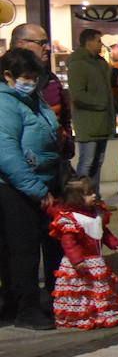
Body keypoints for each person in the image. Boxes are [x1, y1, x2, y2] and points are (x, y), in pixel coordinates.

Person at [0, 47, 63, 329]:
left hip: (45, 179)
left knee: (47, 244)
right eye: (26, 78)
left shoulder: (30, 98)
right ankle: (25, 308)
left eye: (34, 78)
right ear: (8, 76)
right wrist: (36, 189)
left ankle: (48, 299)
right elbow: (7, 152)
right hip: (17, 188)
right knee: (23, 250)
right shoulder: (5, 103)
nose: (31, 83)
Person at [48, 175, 118, 330]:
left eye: (93, 192)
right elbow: (69, 242)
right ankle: (81, 315)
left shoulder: (97, 213)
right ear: (76, 199)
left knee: (96, 289)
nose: (94, 195)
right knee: (81, 291)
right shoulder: (71, 219)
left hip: (95, 261)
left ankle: (99, 313)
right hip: (80, 262)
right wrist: (76, 260)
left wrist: (112, 242)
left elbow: (103, 232)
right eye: (89, 193)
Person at [10, 22, 73, 162]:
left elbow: (64, 117)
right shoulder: (6, 80)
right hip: (18, 169)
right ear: (21, 44)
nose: (48, 48)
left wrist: (67, 144)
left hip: (54, 161)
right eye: (42, 43)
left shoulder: (51, 79)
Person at [67, 28, 118, 188]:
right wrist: (102, 103)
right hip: (88, 123)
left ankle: (95, 198)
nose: (101, 44)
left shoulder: (99, 63)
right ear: (88, 42)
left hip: (102, 121)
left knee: (98, 161)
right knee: (87, 162)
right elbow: (78, 94)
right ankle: (81, 199)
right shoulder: (79, 64)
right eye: (98, 41)